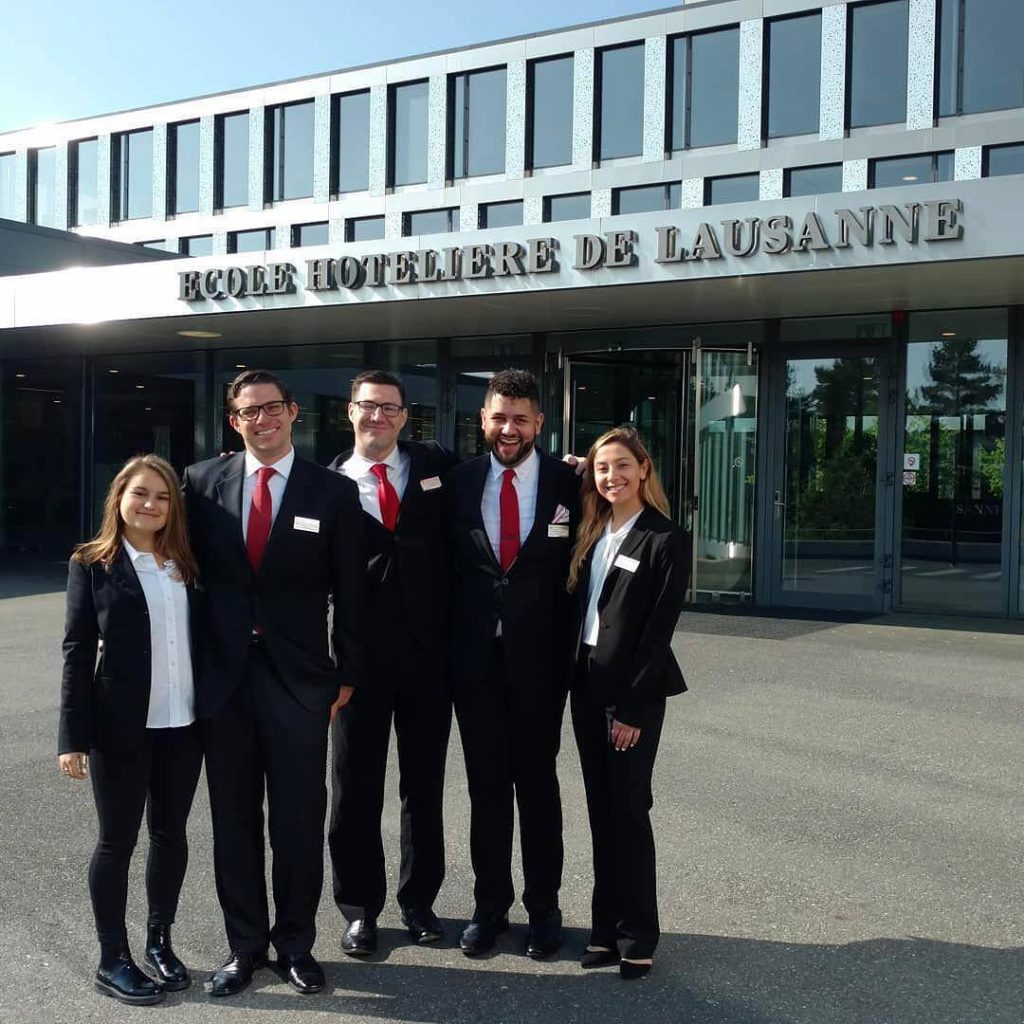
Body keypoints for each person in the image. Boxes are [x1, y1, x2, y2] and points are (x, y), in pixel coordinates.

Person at [182, 369, 364, 997]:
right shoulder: (200, 484)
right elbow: (179, 573)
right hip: (224, 681)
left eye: (272, 409)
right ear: (234, 420)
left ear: (293, 414)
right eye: (249, 412)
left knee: (297, 818)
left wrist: (345, 674)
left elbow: (353, 592)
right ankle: (244, 947)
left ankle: (294, 945)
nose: (262, 420)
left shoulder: (332, 492)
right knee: (233, 818)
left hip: (302, 682)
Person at [58, 454, 204, 1006]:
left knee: (171, 836)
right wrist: (70, 737)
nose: (151, 505)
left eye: (164, 497)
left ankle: (159, 943)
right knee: (116, 842)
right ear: (118, 498)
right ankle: (112, 958)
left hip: (182, 725)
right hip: (120, 727)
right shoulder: (92, 563)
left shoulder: (185, 563)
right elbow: (75, 652)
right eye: (141, 493)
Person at [447, 368, 580, 959]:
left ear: (540, 424)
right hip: (474, 665)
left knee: (538, 788)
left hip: (540, 668)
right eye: (499, 417)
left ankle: (544, 910)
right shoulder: (456, 482)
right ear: (483, 419)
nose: (508, 429)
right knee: (486, 791)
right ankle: (489, 906)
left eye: (520, 419)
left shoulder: (571, 484)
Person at [326, 370, 457, 956]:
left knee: (423, 786)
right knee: (354, 787)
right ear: (349, 413)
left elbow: (507, 473)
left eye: (390, 408)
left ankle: (419, 902)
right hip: (356, 662)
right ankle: (359, 908)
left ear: (406, 417)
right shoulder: (324, 485)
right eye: (367, 407)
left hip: (429, 656)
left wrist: (575, 470)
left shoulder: (436, 465)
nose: (378, 417)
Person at [566, 426, 689, 981]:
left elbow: (656, 633)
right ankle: (602, 930)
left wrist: (634, 711)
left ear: (644, 468)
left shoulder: (664, 538)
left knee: (630, 812)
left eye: (621, 466)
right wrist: (571, 466)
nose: (611, 477)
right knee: (600, 813)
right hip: (586, 684)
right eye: (601, 469)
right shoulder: (593, 528)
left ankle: (638, 934)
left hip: (631, 694)